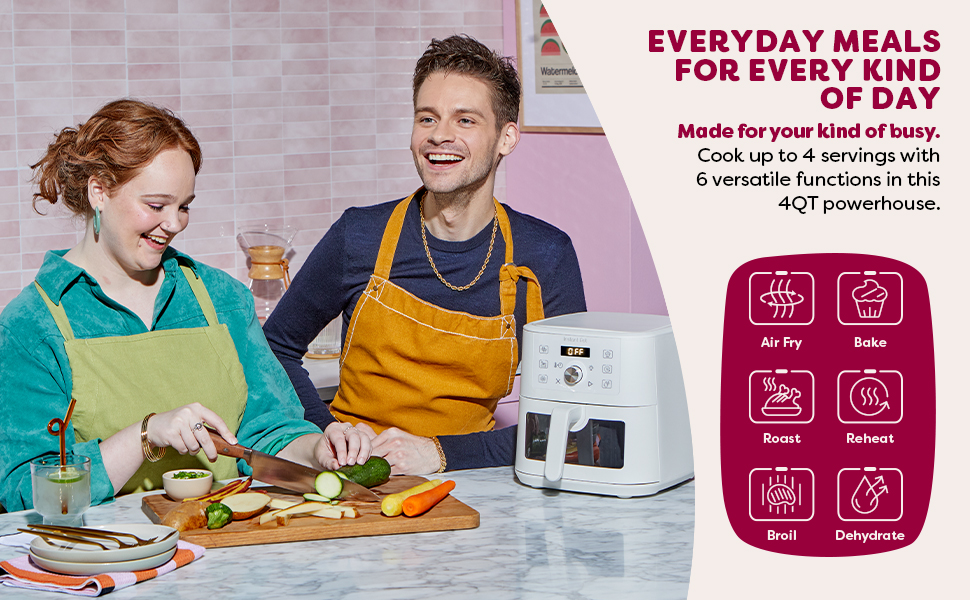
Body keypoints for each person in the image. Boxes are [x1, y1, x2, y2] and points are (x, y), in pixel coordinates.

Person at [0, 99, 368, 512]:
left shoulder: (221, 299)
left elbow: (270, 430)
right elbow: (25, 490)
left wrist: (318, 449)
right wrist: (144, 435)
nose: (174, 224)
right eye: (156, 206)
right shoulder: (32, 325)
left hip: (226, 537)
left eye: (184, 206)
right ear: (99, 191)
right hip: (110, 547)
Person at [264, 35, 587, 475]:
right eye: (427, 118)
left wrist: (439, 454)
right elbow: (274, 348)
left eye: (465, 120)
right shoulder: (359, 237)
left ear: (506, 138)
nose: (439, 135)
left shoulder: (546, 255)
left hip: (473, 483)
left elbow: (571, 417)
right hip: (353, 477)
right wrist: (326, 432)